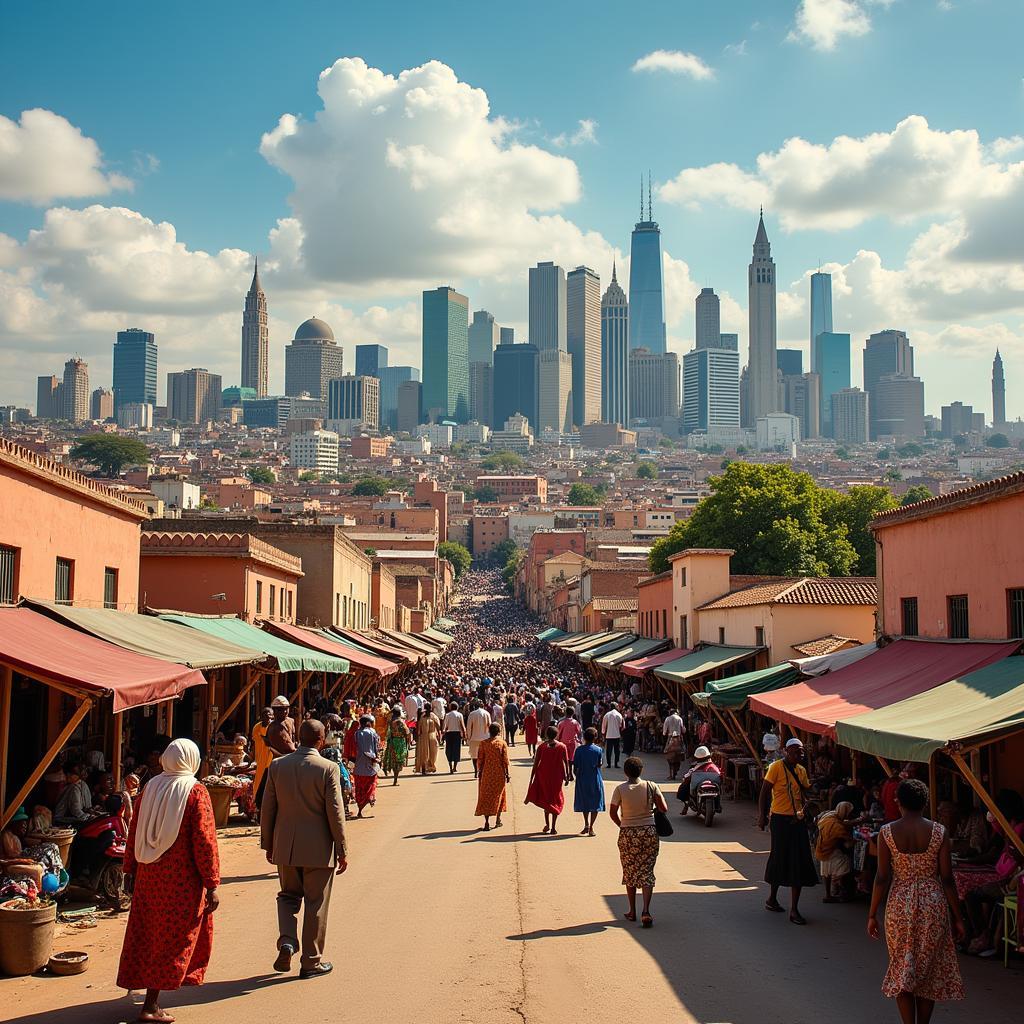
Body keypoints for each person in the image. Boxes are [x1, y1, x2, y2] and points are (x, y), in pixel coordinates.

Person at [117, 739, 220, 1023]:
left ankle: (148, 996)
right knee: (172, 937)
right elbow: (205, 841)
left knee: (149, 932)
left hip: (149, 876)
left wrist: (129, 869)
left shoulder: (149, 788)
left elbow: (134, 831)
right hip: (181, 881)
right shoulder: (195, 792)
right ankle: (150, 1005)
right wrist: (212, 883)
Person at [868, 778, 965, 1023]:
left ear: (898, 802)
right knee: (928, 973)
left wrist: (871, 914)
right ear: (925, 803)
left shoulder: (886, 833)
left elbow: (881, 877)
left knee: (903, 968)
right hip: (933, 905)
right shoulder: (940, 832)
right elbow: (947, 878)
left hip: (899, 904)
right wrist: (958, 917)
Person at [261, 720, 347, 981]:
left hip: (285, 846)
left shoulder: (277, 766)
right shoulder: (328, 768)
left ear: (298, 737)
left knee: (287, 896)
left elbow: (268, 809)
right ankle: (311, 961)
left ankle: (287, 941)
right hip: (319, 849)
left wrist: (268, 843)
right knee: (315, 902)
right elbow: (335, 811)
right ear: (321, 740)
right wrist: (342, 847)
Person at [757, 737, 818, 925]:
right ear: (786, 752)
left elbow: (806, 790)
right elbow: (765, 792)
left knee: (798, 861)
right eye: (795, 751)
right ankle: (772, 898)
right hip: (780, 820)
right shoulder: (775, 767)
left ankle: (794, 909)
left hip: (797, 820)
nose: (799, 754)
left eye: (801, 751)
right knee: (779, 857)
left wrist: (813, 796)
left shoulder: (801, 771)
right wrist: (762, 816)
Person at [610, 756, 668, 928]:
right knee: (647, 871)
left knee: (630, 870)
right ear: (641, 770)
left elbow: (613, 812)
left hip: (628, 833)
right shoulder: (651, 786)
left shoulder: (620, 789)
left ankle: (632, 911)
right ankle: (646, 911)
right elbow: (664, 808)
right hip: (649, 832)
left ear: (625, 772)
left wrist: (623, 825)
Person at [524, 726, 569, 834]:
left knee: (546, 800)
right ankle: (553, 827)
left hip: (543, 776)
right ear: (557, 735)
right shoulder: (562, 747)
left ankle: (547, 825)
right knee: (555, 799)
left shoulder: (542, 747)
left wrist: (532, 776)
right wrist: (567, 775)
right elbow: (566, 762)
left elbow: (536, 763)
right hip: (557, 777)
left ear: (547, 735)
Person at [816, 801, 855, 902]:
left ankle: (829, 894)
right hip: (828, 849)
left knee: (826, 871)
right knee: (845, 864)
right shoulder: (836, 826)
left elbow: (843, 823)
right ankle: (838, 886)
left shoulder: (830, 815)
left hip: (822, 848)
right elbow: (848, 840)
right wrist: (854, 840)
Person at [475, 723, 511, 831]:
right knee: (499, 795)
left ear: (489, 731)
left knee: (486, 795)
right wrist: (507, 774)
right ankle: (498, 820)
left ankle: (486, 822)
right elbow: (505, 760)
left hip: (486, 773)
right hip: (499, 773)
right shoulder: (502, 743)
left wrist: (479, 771)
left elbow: (480, 759)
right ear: (499, 731)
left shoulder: (483, 743)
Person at [573, 728, 605, 837]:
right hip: (595, 778)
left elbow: (575, 766)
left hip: (582, 778)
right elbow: (600, 764)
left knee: (584, 802)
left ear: (584, 737)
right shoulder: (598, 750)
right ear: (595, 738)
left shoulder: (579, 750)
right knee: (595, 803)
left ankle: (586, 824)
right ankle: (591, 827)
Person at [353, 716, 380, 817]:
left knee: (359, 788)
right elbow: (375, 747)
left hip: (358, 765)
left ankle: (360, 809)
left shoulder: (356, 733)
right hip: (369, 764)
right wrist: (376, 757)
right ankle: (369, 798)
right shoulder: (372, 732)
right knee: (371, 785)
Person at [382, 706, 411, 786]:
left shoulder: (391, 721)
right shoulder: (400, 721)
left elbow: (388, 733)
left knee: (393, 760)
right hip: (400, 742)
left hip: (392, 742)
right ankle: (395, 779)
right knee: (399, 761)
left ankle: (393, 776)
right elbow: (407, 732)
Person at [251, 706, 274, 808]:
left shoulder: (273, 727)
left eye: (270, 715)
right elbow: (256, 742)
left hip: (271, 760)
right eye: (265, 715)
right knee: (258, 783)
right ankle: (257, 806)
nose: (268, 717)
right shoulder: (257, 727)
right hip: (260, 760)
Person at [466, 701, 492, 779]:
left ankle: (476, 771)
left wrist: (469, 737)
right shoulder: (487, 713)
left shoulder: (472, 714)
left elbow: (469, 727)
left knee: (474, 756)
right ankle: (482, 771)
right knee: (484, 756)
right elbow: (490, 725)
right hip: (485, 738)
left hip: (474, 738)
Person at [414, 705, 441, 775]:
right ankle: (427, 767)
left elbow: (438, 727)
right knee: (428, 753)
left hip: (427, 737)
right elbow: (438, 727)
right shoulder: (428, 716)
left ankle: (427, 767)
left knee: (428, 753)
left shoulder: (428, 716)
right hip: (428, 737)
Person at [556, 709, 582, 781]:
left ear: (565, 713)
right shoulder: (575, 722)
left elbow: (558, 734)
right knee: (571, 759)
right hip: (573, 743)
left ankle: (567, 773)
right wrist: (579, 740)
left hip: (563, 743)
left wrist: (557, 741)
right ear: (573, 713)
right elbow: (579, 732)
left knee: (565, 759)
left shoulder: (561, 723)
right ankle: (570, 773)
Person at [443, 701, 467, 774]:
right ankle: (455, 767)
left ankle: (450, 767)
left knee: (449, 750)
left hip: (449, 734)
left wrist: (443, 734)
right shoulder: (459, 715)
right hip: (457, 734)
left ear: (450, 707)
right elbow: (462, 726)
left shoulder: (447, 715)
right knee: (456, 750)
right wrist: (464, 735)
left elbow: (445, 726)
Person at [601, 703, 625, 769]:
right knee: (617, 750)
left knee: (609, 750)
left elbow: (604, 725)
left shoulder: (607, 715)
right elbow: (622, 725)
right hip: (617, 735)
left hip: (609, 735)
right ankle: (616, 764)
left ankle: (609, 764)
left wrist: (603, 733)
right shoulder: (619, 714)